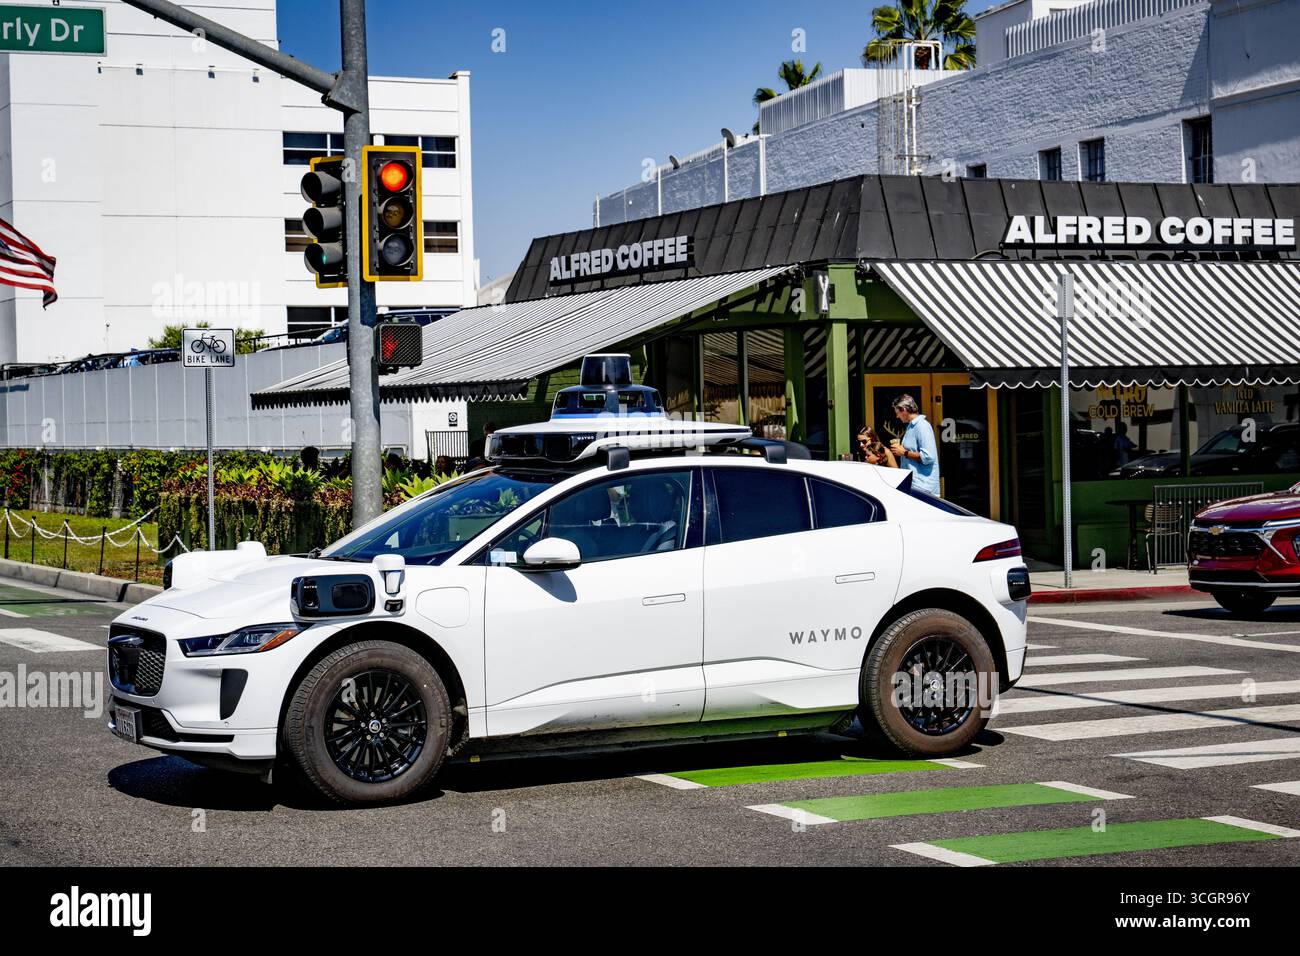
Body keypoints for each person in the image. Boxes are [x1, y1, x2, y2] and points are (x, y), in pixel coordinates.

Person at [888, 394, 940, 494]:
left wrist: (904, 452)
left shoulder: (922, 426)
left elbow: (928, 457)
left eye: (897, 412)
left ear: (903, 409)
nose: (897, 416)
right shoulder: (911, 426)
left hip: (923, 488)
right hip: (914, 485)